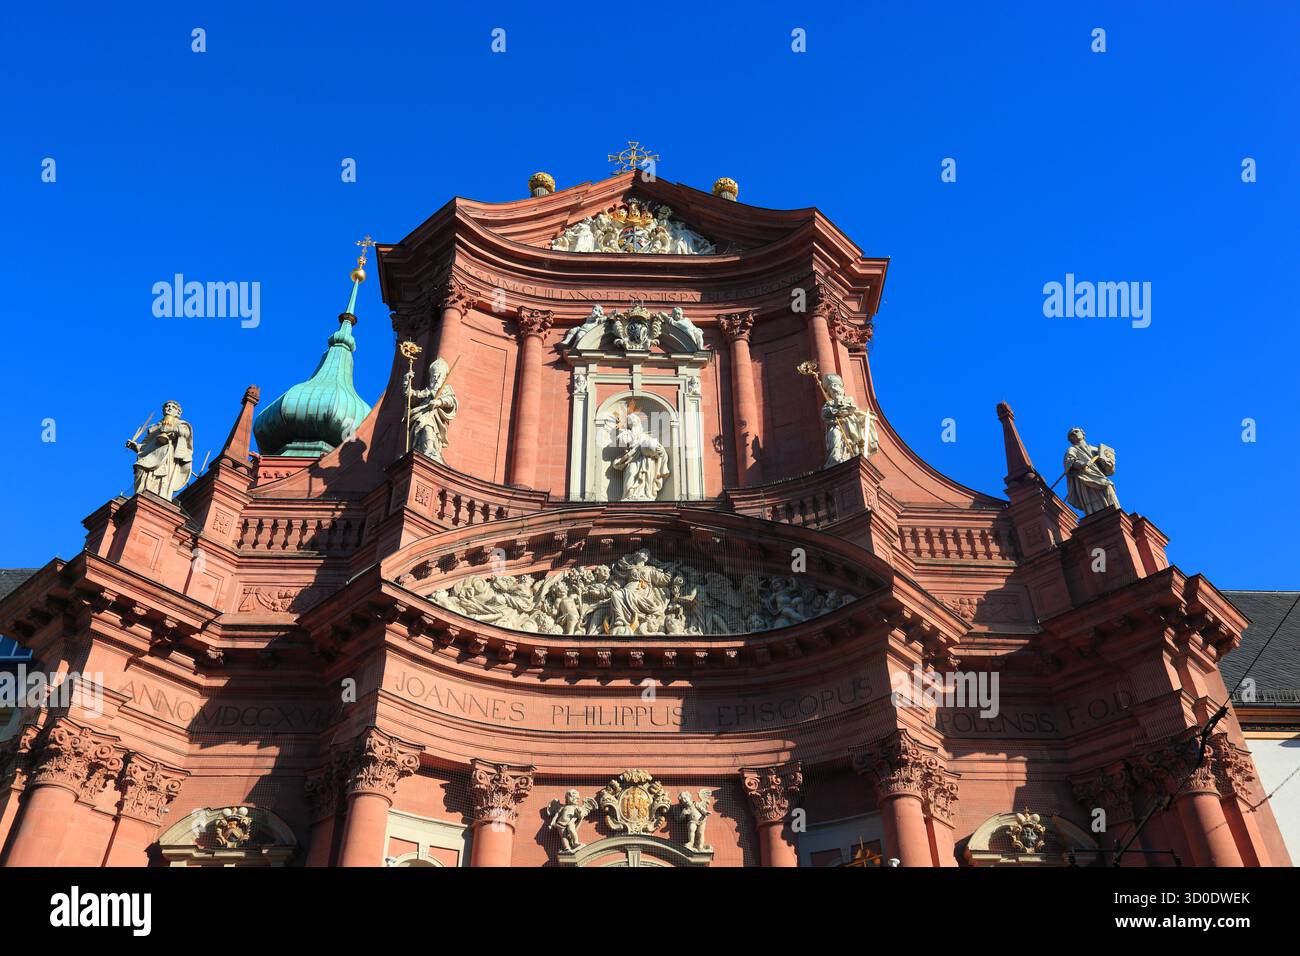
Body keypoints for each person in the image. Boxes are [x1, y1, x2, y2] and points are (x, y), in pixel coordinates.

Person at [126, 400, 194, 500]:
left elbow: (185, 434)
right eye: (167, 406)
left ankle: (158, 495)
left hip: (166, 455)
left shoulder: (181, 424)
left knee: (161, 476)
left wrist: (171, 429)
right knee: (140, 468)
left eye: (173, 407)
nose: (169, 408)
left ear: (178, 412)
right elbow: (146, 445)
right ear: (163, 410)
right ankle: (140, 493)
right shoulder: (155, 427)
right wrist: (135, 446)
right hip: (151, 454)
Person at [405, 357, 457, 463]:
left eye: (439, 375)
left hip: (433, 416)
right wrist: (406, 382)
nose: (436, 378)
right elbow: (412, 396)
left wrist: (439, 402)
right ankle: (421, 449)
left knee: (428, 426)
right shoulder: (427, 390)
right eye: (434, 375)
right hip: (422, 412)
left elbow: (451, 400)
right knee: (420, 428)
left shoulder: (445, 388)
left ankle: (429, 449)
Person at [1063, 427, 1120, 514]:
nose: (1074, 434)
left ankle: (1116, 511)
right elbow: (1069, 462)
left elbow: (1110, 468)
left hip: (1099, 475)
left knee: (1108, 487)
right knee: (1094, 496)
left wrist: (1107, 463)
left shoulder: (1096, 449)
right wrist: (1082, 464)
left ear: (1083, 434)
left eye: (1076, 431)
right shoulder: (1072, 449)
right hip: (1085, 476)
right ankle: (1097, 516)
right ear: (1070, 439)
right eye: (1071, 434)